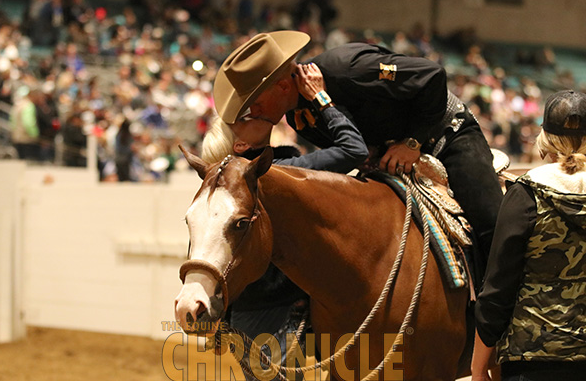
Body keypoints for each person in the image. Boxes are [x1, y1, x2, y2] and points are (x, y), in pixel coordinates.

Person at [210, 30, 503, 273]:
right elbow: (355, 150)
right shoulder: (298, 120)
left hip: (445, 134)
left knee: (492, 226)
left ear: (283, 86)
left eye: (255, 102)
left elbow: (433, 76)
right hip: (389, 161)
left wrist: (412, 142)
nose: (254, 112)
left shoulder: (346, 68)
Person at [201, 34, 368, 381]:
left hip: (251, 315)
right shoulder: (281, 173)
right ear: (242, 143)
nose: (252, 109)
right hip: (281, 313)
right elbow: (353, 149)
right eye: (244, 115)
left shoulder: (229, 191)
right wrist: (321, 99)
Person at [472, 90, 586, 381]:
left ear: (545, 137)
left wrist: (477, 366)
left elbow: (498, 289)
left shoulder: (526, 194)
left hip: (532, 357)